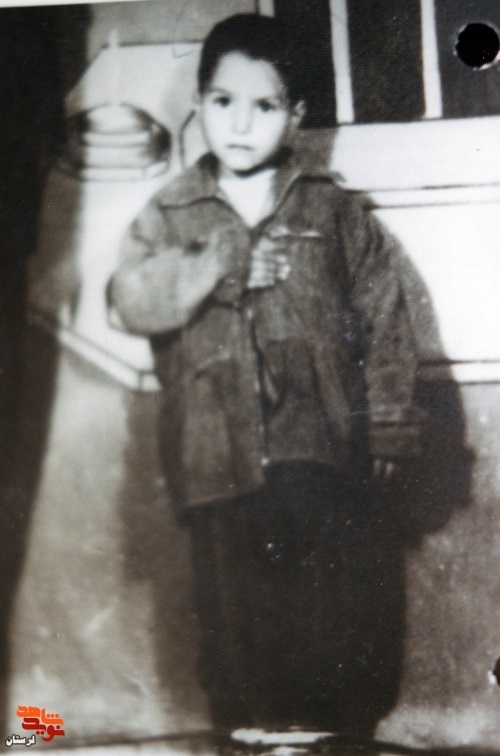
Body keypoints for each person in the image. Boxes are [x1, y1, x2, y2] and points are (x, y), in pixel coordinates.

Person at [109, 14, 421, 742]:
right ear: (199, 105)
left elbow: (386, 318)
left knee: (323, 596)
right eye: (223, 102)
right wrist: (220, 267)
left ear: (297, 116)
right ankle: (244, 730)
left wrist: (389, 423)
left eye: (265, 105)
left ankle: (318, 731)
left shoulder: (333, 211)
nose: (240, 124)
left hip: (313, 441)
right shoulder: (171, 211)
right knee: (231, 603)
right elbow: (130, 299)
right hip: (213, 445)